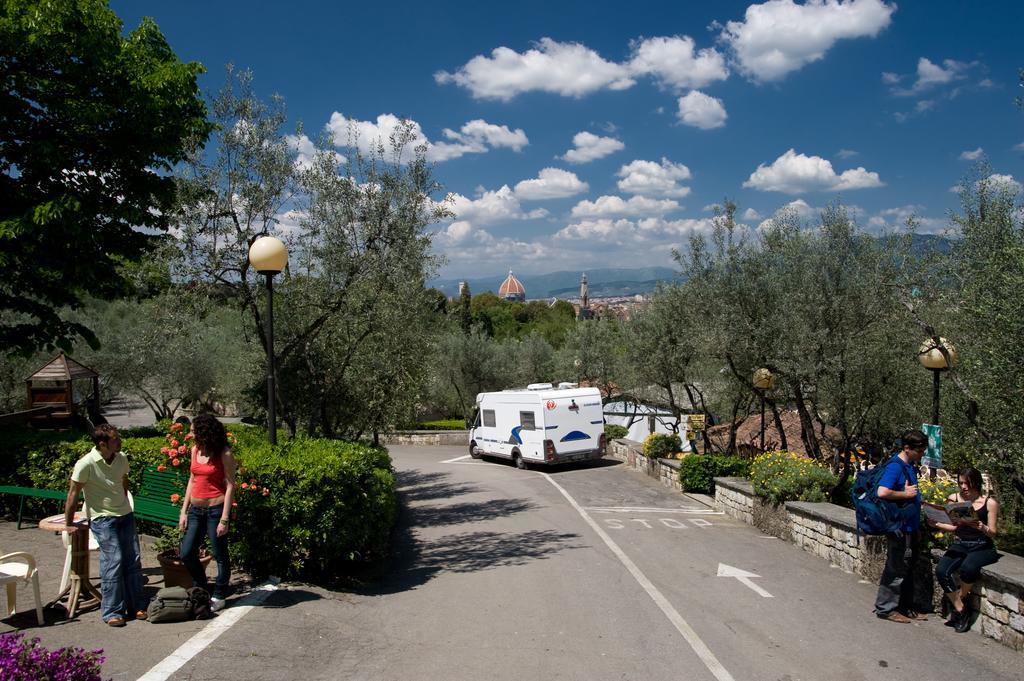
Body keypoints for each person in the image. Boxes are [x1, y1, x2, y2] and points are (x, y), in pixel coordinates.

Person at [64, 424, 146, 627]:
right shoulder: (86, 463)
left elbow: (123, 481)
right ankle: (112, 611)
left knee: (132, 559)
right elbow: (73, 494)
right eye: (115, 439)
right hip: (102, 518)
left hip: (125, 514)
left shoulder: (122, 458)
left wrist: (125, 503)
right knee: (114, 559)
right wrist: (68, 523)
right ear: (103, 443)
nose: (120, 441)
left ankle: (136, 605)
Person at [929, 467, 1000, 633]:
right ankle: (961, 608)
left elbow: (994, 533)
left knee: (968, 569)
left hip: (982, 545)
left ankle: (959, 599)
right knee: (941, 570)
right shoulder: (953, 499)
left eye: (967, 483)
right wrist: (937, 524)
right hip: (961, 543)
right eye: (961, 483)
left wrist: (983, 527)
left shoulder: (989, 502)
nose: (963, 487)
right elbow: (953, 527)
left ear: (976, 483)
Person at [178, 413, 236, 612]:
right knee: (186, 552)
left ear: (205, 432)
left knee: (220, 554)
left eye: (193, 431)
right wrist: (183, 511)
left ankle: (219, 594)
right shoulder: (195, 450)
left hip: (216, 510)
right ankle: (202, 587)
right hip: (196, 510)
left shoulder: (224, 453)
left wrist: (225, 518)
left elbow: (230, 486)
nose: (190, 434)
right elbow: (192, 480)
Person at [873, 429, 927, 623]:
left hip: (909, 527)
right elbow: (882, 492)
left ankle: (904, 607)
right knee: (896, 567)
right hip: (898, 528)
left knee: (906, 567)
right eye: (919, 451)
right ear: (907, 448)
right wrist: (905, 494)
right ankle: (886, 608)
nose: (921, 455)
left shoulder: (909, 466)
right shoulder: (896, 467)